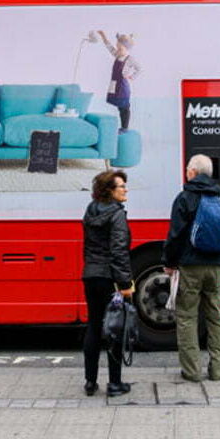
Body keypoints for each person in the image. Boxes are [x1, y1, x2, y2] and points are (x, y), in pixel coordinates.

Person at [162, 154, 220, 382]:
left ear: (194, 172)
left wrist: (169, 262)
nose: (186, 172)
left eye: (188, 169)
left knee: (187, 318)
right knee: (217, 318)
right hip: (217, 266)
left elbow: (175, 235)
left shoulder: (185, 198)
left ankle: (192, 371)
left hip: (190, 266)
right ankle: (217, 371)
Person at [81, 169, 134, 398]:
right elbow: (119, 252)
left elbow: (88, 247)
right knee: (115, 328)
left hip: (91, 275)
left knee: (93, 327)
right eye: (121, 186)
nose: (125, 189)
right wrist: (125, 284)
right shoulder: (117, 215)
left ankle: (90, 382)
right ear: (110, 191)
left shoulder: (90, 211)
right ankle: (114, 384)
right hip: (110, 278)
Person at [97, 31, 141, 132]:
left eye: (120, 48)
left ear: (127, 48)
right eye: (117, 47)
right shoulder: (117, 55)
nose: (117, 50)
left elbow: (139, 69)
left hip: (123, 86)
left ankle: (125, 127)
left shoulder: (130, 59)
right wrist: (104, 36)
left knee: (125, 107)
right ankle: (123, 127)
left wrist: (131, 77)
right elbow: (109, 47)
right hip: (115, 84)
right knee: (120, 107)